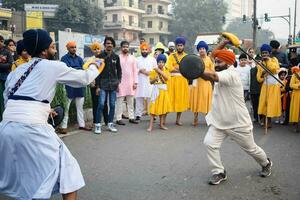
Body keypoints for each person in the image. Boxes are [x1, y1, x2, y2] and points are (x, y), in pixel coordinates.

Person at [0, 29, 104, 200]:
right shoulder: (52, 66)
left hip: (6, 129)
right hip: (33, 129)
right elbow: (84, 78)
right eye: (51, 46)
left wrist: (45, 110)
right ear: (43, 50)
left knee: (28, 181)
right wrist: (95, 64)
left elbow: (10, 101)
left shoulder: (16, 72)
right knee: (69, 173)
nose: (54, 49)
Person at [200, 39, 272, 185]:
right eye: (215, 62)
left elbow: (212, 76)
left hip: (237, 123)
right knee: (209, 143)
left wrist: (196, 70)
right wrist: (225, 41)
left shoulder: (231, 74)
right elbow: (214, 55)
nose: (215, 64)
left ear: (227, 63)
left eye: (219, 62)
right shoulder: (221, 68)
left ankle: (265, 163)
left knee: (251, 149)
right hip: (219, 121)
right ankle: (219, 172)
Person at [59, 41, 92, 134]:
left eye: (75, 47)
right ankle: (63, 126)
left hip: (79, 85)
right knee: (66, 107)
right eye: (71, 47)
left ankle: (82, 125)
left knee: (80, 107)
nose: (74, 49)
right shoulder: (64, 58)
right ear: (68, 48)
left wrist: (77, 71)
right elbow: (66, 70)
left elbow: (83, 69)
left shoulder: (80, 59)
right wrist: (77, 71)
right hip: (69, 85)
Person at [95, 37, 122, 134]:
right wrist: (97, 86)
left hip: (113, 85)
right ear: (105, 45)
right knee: (101, 104)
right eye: (107, 43)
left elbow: (119, 71)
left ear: (113, 45)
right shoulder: (100, 56)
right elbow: (97, 71)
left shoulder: (116, 57)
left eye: (111, 43)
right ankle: (97, 125)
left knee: (112, 104)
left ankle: (110, 123)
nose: (109, 45)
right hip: (103, 84)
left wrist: (118, 81)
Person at [190, 41, 214, 126]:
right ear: (198, 50)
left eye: (203, 48)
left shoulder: (209, 60)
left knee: (206, 101)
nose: (202, 50)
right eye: (200, 49)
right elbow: (191, 70)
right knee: (196, 100)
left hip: (206, 83)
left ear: (206, 50)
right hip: (197, 82)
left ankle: (208, 120)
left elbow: (212, 72)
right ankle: (195, 119)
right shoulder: (196, 59)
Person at [257, 44, 281, 128]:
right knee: (264, 104)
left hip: (274, 86)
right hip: (265, 86)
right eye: (263, 53)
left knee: (270, 104)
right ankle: (265, 120)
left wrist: (268, 61)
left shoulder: (274, 60)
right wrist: (263, 75)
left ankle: (269, 121)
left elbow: (275, 70)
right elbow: (259, 79)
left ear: (269, 53)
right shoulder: (260, 64)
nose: (264, 55)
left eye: (266, 53)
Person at [166, 37, 189, 125]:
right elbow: (169, 67)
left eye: (181, 45)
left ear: (183, 46)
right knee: (169, 99)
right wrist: (179, 69)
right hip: (172, 81)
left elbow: (187, 68)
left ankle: (178, 119)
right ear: (176, 46)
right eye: (178, 45)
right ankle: (164, 119)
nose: (179, 47)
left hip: (182, 81)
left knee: (180, 100)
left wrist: (177, 68)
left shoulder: (186, 56)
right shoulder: (172, 56)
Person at [86, 42, 109, 127]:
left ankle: (107, 121)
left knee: (104, 103)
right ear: (92, 50)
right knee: (95, 103)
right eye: (94, 49)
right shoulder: (90, 60)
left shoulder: (105, 58)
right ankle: (96, 122)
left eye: (98, 48)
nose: (96, 50)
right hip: (93, 84)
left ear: (101, 49)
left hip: (104, 84)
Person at [116, 41, 139, 125]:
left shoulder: (133, 58)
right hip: (120, 83)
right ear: (121, 48)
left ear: (128, 48)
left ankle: (131, 117)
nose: (125, 48)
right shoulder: (117, 57)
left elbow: (135, 71)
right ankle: (118, 118)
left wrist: (135, 82)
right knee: (119, 102)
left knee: (130, 102)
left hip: (130, 82)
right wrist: (116, 83)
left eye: (126, 47)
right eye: (124, 47)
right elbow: (116, 71)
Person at [147, 54, 171, 132]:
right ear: (157, 63)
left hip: (163, 91)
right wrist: (154, 79)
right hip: (156, 91)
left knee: (162, 108)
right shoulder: (154, 71)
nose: (161, 63)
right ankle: (150, 126)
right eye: (159, 62)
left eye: (162, 62)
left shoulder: (166, 70)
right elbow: (150, 82)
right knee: (153, 109)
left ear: (164, 63)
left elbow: (167, 78)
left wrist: (159, 71)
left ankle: (161, 124)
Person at [135, 42, 157, 121]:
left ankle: (152, 114)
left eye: (146, 49)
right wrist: (140, 70)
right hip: (140, 81)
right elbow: (134, 70)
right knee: (139, 98)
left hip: (149, 82)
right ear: (140, 50)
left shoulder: (153, 60)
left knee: (150, 98)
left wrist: (149, 73)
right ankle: (138, 114)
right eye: (143, 50)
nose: (144, 51)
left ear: (148, 50)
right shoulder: (137, 60)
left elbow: (156, 70)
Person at [0, 35, 13, 121]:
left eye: (1, 41)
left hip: (4, 79)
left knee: (4, 99)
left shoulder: (7, 52)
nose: (1, 43)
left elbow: (10, 64)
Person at [250, 58, 262, 123]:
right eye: (257, 61)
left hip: (260, 90)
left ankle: (261, 118)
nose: (258, 62)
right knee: (255, 105)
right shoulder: (252, 70)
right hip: (253, 90)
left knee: (260, 105)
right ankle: (255, 118)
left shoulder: (263, 69)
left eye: (259, 61)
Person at [289, 66, 300, 132]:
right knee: (296, 110)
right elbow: (291, 85)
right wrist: (298, 86)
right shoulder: (295, 74)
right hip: (297, 95)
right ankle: (295, 125)